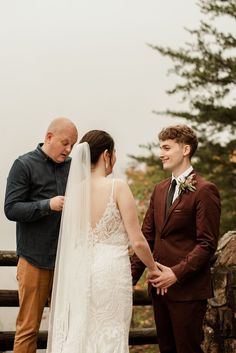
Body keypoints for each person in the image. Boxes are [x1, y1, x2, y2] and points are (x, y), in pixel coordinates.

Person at [46, 130, 160, 353]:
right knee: (111, 331)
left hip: (81, 271)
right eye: (114, 152)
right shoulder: (117, 187)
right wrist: (153, 268)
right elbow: (137, 241)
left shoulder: (76, 192)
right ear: (106, 155)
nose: (115, 157)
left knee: (82, 330)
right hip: (110, 271)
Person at [131, 124, 221, 353]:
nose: (161, 153)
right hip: (159, 290)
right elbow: (147, 237)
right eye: (160, 147)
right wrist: (127, 280)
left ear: (186, 149)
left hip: (188, 291)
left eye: (166, 147)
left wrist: (176, 274)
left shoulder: (204, 190)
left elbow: (207, 244)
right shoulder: (159, 190)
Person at [4, 117, 78, 353]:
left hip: (66, 262)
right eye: (65, 143)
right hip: (34, 260)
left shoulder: (73, 167)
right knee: (28, 329)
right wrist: (48, 205)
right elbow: (11, 208)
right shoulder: (23, 164)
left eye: (72, 146)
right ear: (49, 137)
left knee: (67, 327)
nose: (68, 150)